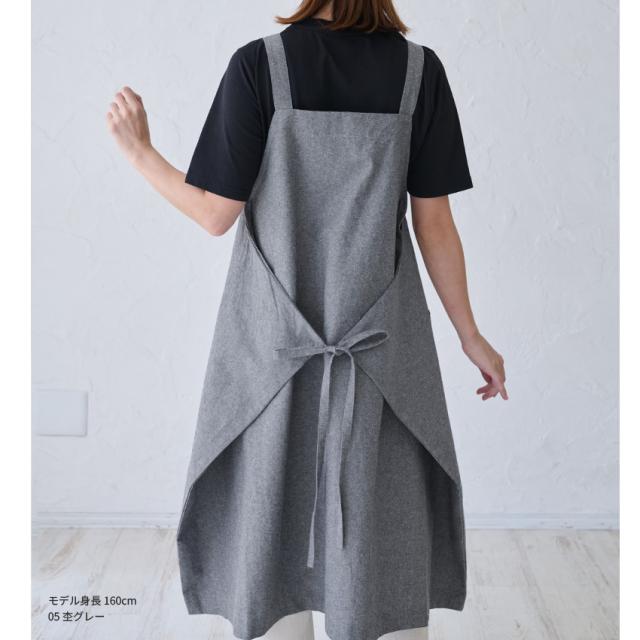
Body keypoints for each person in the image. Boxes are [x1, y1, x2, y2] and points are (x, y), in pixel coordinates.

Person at [107, 1, 508, 639]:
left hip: (273, 349)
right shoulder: (419, 72)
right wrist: (470, 335)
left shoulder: (259, 66)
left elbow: (214, 214)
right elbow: (434, 222)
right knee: (379, 536)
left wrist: (140, 152)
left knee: (272, 533)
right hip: (381, 351)